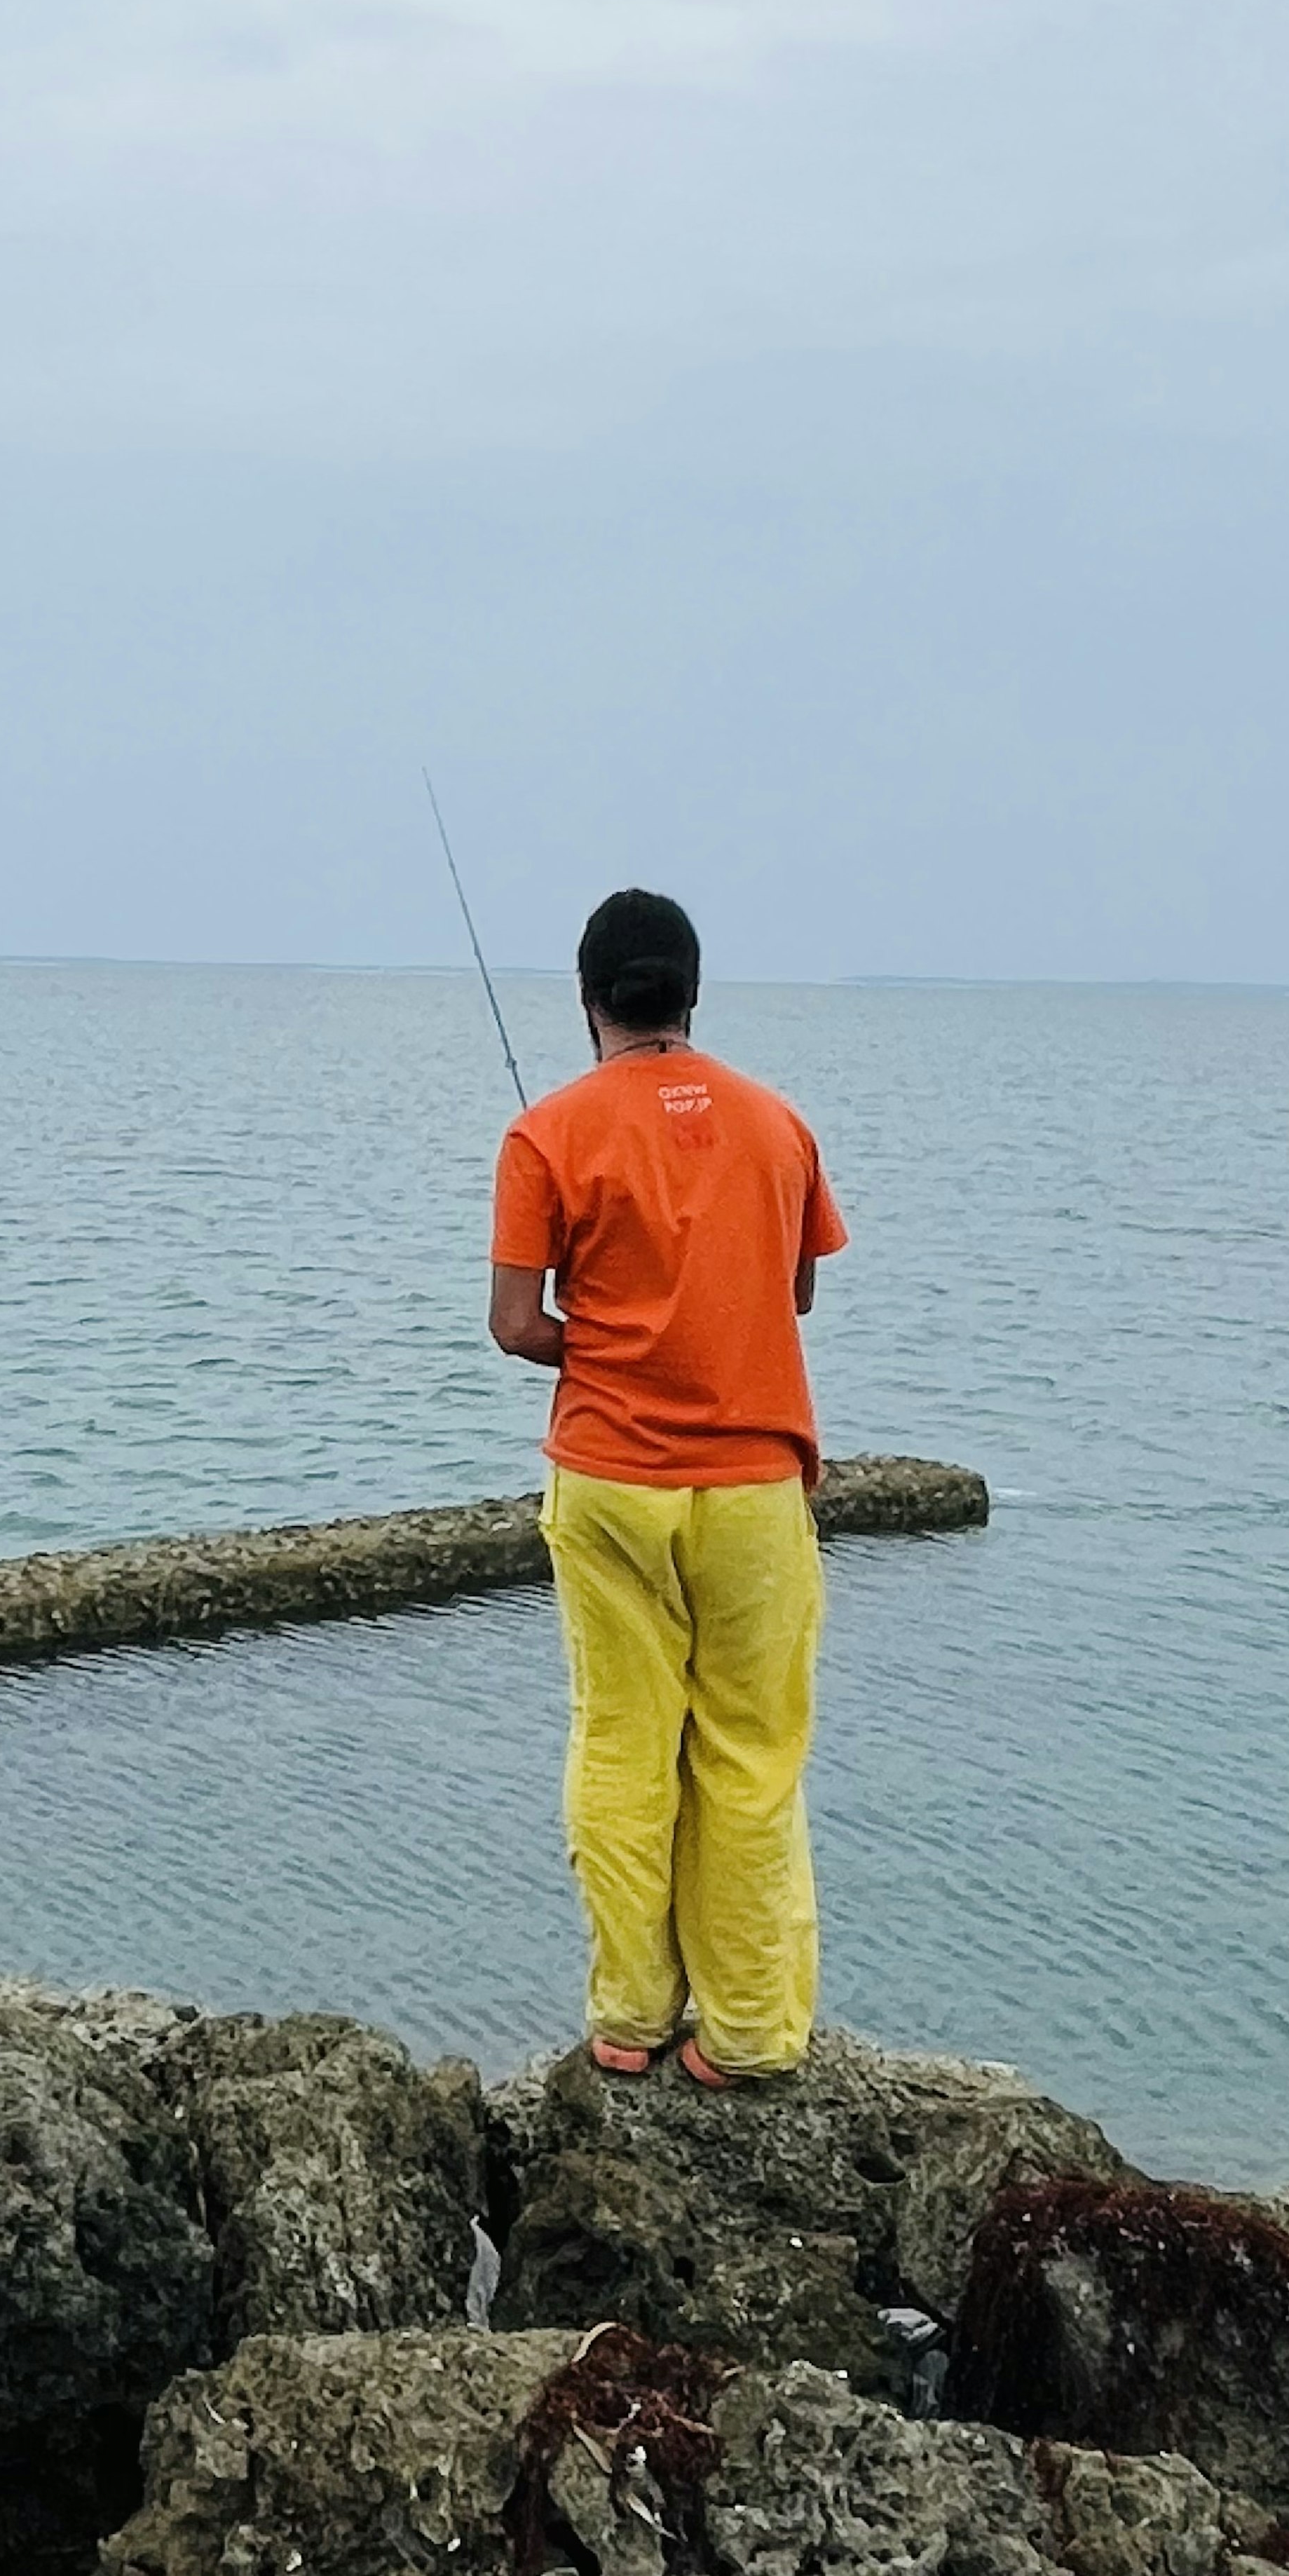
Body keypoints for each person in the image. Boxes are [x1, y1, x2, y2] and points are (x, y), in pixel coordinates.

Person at [488, 886, 846, 2086]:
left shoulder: (545, 1134)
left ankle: (633, 2020)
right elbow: (793, 1295)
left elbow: (514, 1325)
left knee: (622, 1745)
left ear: (589, 1000)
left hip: (607, 1481)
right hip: (753, 1487)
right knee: (748, 1756)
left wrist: (604, 1342)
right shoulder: (780, 1125)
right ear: (692, 992)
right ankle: (745, 2033)